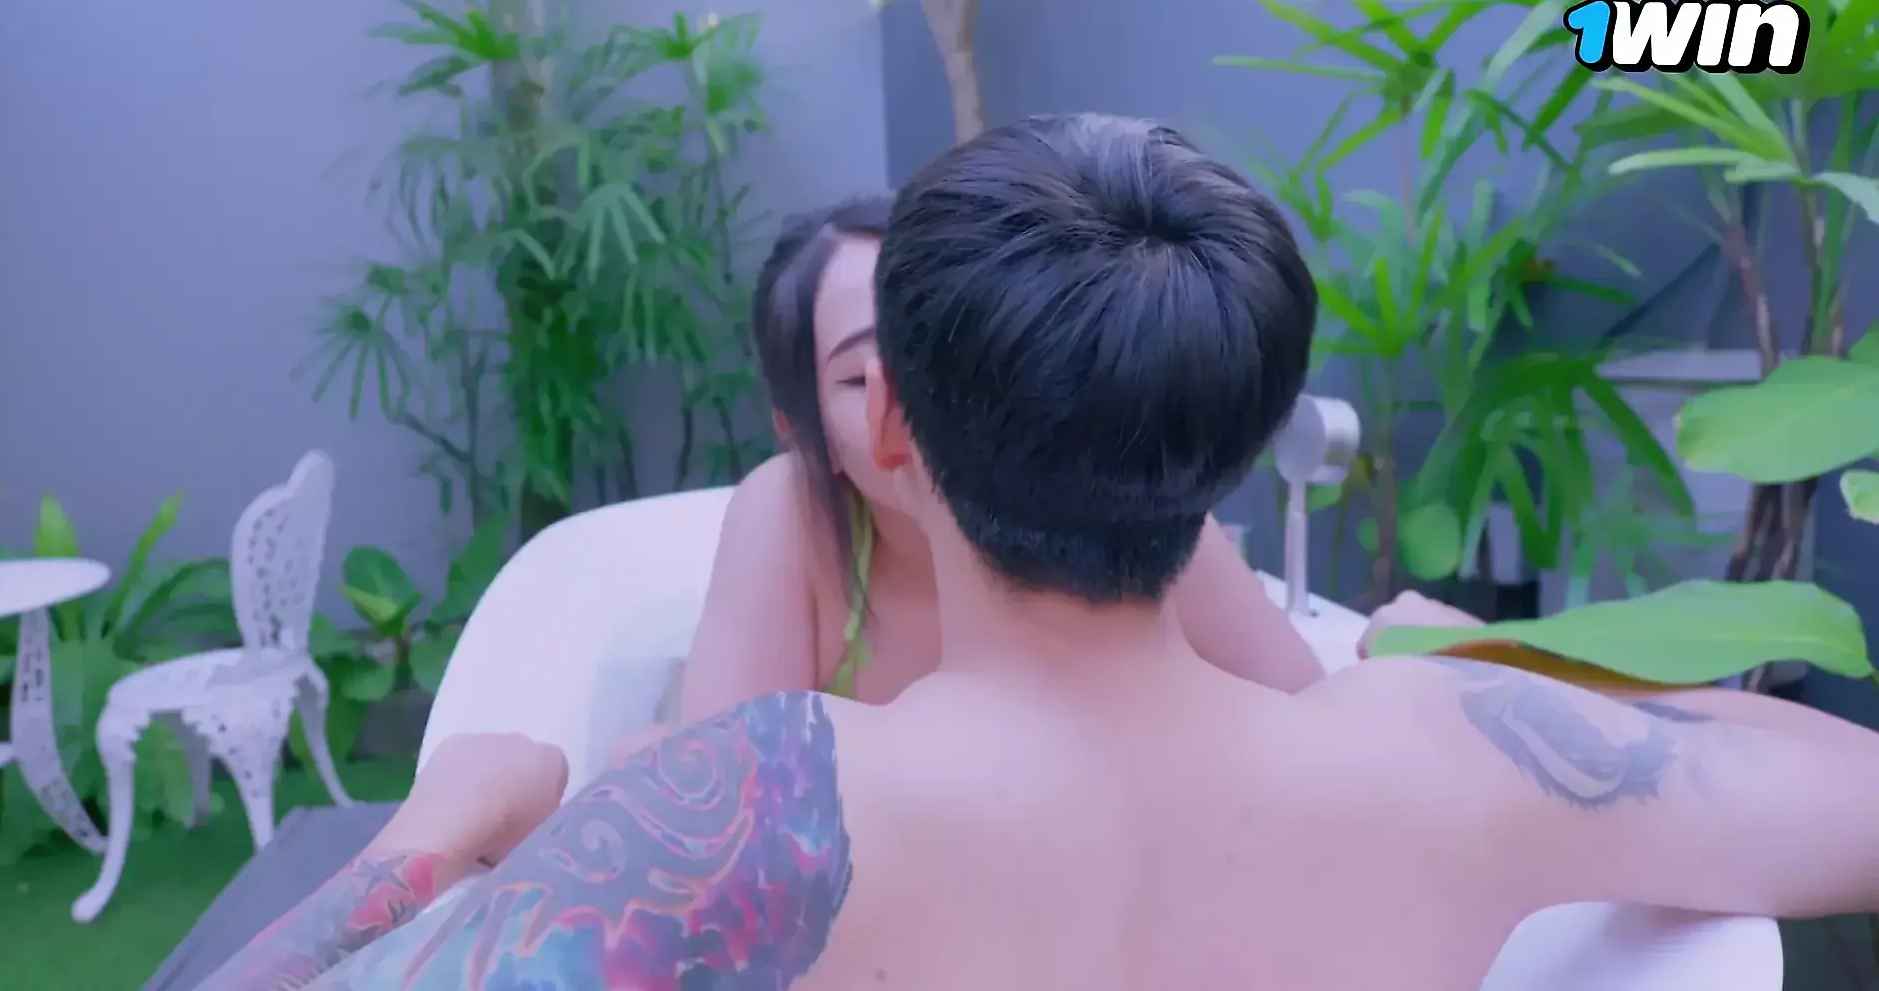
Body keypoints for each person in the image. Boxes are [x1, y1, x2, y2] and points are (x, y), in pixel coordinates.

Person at [204, 114, 1879, 990]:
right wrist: (1470, 674)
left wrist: (436, 832)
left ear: (892, 429)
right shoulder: (1446, 756)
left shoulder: (756, 810)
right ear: (1236, 441)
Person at [680, 194, 1324, 721]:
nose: (924, 395)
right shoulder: (791, 516)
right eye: (865, 375)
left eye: (945, 351)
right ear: (803, 435)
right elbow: (721, 788)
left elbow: (1299, 703)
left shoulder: (1110, 486)